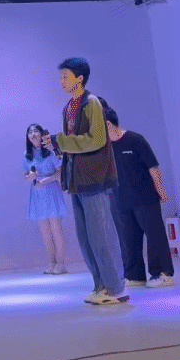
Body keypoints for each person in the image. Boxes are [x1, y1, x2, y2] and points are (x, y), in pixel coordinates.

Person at [42, 57, 128, 305]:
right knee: (86, 238)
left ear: (79, 78)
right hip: (77, 179)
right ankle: (100, 286)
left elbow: (96, 140)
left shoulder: (92, 103)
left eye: (65, 76)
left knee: (102, 236)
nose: (61, 81)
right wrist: (57, 145)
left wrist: (61, 141)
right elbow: (73, 143)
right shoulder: (68, 108)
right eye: (60, 77)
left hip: (95, 179)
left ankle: (116, 289)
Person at [103, 105, 175, 289]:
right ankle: (134, 275)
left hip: (145, 197)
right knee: (128, 240)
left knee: (154, 236)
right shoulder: (105, 148)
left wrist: (160, 189)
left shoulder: (135, 140)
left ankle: (162, 273)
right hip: (120, 200)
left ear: (108, 124)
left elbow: (153, 166)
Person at [22, 124, 68, 274]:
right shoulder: (27, 155)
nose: (33, 134)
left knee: (56, 230)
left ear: (42, 134)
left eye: (36, 131)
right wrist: (31, 177)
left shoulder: (50, 152)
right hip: (37, 194)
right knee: (45, 232)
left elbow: (60, 172)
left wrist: (45, 180)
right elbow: (25, 175)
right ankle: (51, 263)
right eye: (30, 132)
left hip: (51, 191)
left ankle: (61, 264)